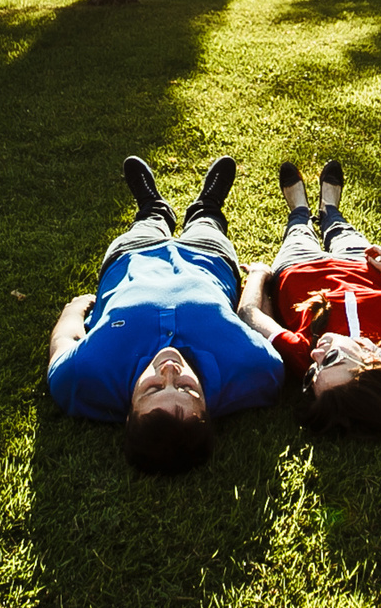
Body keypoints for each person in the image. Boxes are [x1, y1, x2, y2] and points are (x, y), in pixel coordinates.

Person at [48, 155, 292, 474]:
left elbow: (65, 342)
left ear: (128, 413)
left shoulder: (81, 378)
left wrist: (74, 308)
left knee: (146, 224)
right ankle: (208, 204)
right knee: (208, 223)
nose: (170, 372)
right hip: (209, 261)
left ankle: (153, 207)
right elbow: (256, 319)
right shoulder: (257, 371)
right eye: (188, 389)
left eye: (152, 389)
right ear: (207, 406)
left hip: (132, 258)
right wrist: (259, 279)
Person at [244, 160, 381, 435]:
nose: (316, 355)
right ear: (370, 367)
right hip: (361, 265)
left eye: (311, 376)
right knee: (341, 229)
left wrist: (259, 275)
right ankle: (330, 209)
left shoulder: (306, 356)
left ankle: (299, 210)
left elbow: (249, 314)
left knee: (298, 232)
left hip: (299, 268)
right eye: (330, 360)